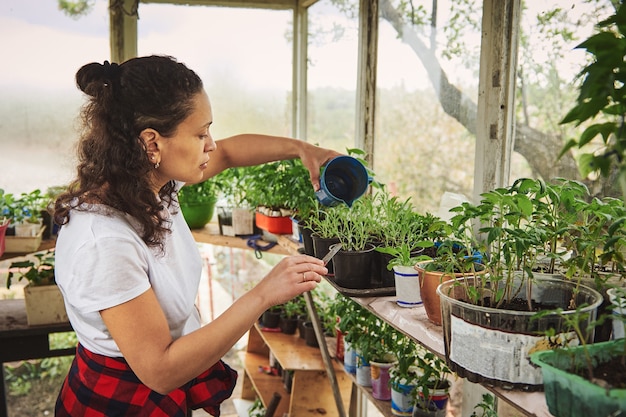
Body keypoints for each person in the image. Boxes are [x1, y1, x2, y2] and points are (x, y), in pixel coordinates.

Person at [52, 54, 341, 416]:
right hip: (120, 403)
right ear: (151, 143)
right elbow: (160, 370)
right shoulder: (106, 241)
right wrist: (265, 293)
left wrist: (301, 149)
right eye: (201, 133)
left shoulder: (149, 187)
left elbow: (233, 152)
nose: (212, 144)